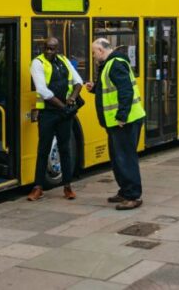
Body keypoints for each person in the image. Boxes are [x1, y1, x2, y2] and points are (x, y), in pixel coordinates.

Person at [85, 38, 146, 210]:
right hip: (116, 122)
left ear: (102, 50)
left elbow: (125, 91)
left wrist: (122, 116)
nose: (93, 55)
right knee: (117, 158)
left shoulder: (116, 64)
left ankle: (133, 196)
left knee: (126, 158)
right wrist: (94, 88)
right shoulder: (109, 64)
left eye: (94, 52)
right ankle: (125, 191)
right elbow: (110, 87)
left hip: (126, 121)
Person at [27, 38, 83, 202]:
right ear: (42, 48)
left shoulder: (64, 60)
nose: (49, 51)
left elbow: (78, 81)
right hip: (48, 113)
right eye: (47, 48)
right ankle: (38, 187)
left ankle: (67, 186)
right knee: (43, 149)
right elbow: (42, 90)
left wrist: (72, 99)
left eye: (53, 49)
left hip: (64, 113)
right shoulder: (37, 63)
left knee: (65, 148)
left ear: (57, 49)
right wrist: (63, 107)